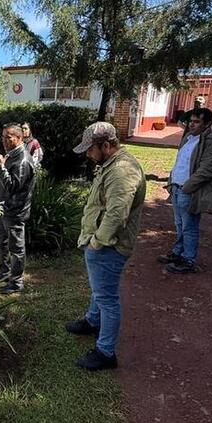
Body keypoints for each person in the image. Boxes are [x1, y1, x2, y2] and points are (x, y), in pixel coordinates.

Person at [64, 122, 146, 371]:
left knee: (107, 297)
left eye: (91, 149)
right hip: (103, 244)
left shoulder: (121, 171)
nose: (88, 155)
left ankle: (105, 352)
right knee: (99, 289)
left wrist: (97, 242)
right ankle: (92, 321)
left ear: (107, 145)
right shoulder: (111, 164)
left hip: (109, 246)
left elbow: (116, 214)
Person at [158, 108, 212, 274]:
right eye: (190, 121)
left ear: (207, 124)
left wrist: (188, 186)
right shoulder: (188, 138)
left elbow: (209, 168)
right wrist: (172, 181)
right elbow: (181, 161)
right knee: (179, 224)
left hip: (189, 190)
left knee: (189, 227)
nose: (191, 125)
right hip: (177, 187)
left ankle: (188, 260)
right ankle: (178, 253)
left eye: (196, 122)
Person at [0, 123, 36, 294]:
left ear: (19, 138)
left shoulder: (22, 160)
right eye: (3, 137)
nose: (4, 141)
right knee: (1, 242)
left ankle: (16, 282)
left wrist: (0, 167)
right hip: (3, 209)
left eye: (8, 137)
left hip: (14, 211)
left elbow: (13, 187)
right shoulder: (11, 156)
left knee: (16, 247)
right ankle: (3, 273)